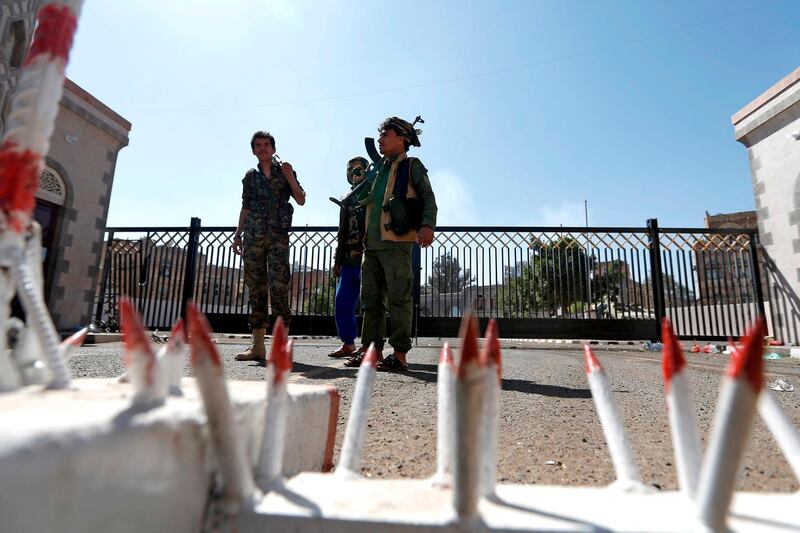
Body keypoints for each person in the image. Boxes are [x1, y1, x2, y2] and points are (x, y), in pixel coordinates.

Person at [345, 116, 437, 371]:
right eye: (381, 134)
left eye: (386, 134)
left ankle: (399, 354)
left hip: (396, 244)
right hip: (371, 245)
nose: (380, 139)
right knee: (370, 301)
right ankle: (370, 351)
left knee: (399, 299)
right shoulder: (378, 170)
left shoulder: (411, 166)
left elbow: (428, 197)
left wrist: (427, 224)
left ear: (402, 139)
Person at [232, 131, 305, 362]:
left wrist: (290, 177)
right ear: (253, 150)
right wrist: (237, 234)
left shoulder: (284, 171)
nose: (262, 148)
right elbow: (245, 207)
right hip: (253, 237)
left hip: (277, 239)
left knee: (279, 287)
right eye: (258, 145)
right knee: (256, 288)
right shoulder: (250, 177)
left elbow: (301, 199)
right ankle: (257, 346)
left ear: (273, 149)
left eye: (266, 144)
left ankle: (281, 346)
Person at [328, 157, 369, 359]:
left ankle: (371, 346)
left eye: (358, 167)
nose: (354, 171)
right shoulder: (345, 198)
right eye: (350, 168)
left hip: (369, 257)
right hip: (348, 260)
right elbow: (341, 231)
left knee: (371, 302)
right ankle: (348, 343)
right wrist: (337, 260)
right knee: (342, 302)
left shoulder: (372, 190)